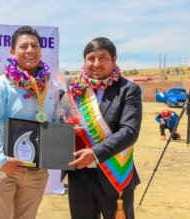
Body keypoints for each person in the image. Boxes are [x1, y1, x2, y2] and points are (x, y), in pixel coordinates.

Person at [0, 26, 60, 219]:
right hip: (5, 168)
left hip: (36, 172)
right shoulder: (2, 83)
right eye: (24, 46)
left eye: (35, 45)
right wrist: (1, 159)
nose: (30, 50)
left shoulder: (53, 87)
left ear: (41, 51)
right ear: (12, 52)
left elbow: (56, 122)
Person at [61, 37, 142, 219]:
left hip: (115, 174)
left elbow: (129, 132)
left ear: (114, 59)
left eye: (103, 58)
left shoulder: (128, 89)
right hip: (79, 175)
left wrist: (95, 153)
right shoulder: (73, 90)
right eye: (91, 58)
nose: (96, 64)